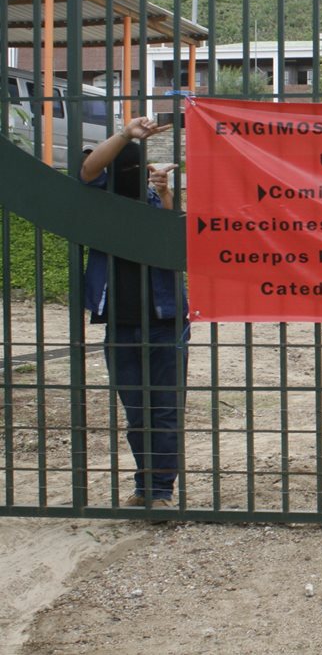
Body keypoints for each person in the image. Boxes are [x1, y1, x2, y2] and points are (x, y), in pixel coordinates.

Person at [80, 116, 187, 509]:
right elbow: (89, 170)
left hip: (165, 319)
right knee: (137, 412)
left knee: (164, 409)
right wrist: (126, 134)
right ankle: (146, 487)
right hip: (121, 323)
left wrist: (165, 190)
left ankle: (160, 491)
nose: (131, 174)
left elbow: (172, 239)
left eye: (135, 167)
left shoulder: (154, 197)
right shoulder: (99, 203)